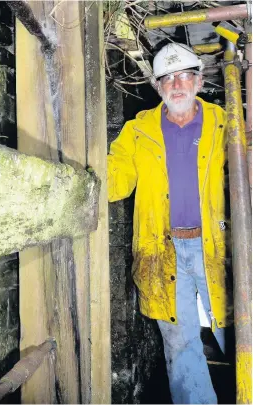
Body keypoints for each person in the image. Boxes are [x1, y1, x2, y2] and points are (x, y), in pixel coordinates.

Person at [107, 42, 229, 404]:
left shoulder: (225, 123)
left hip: (219, 249)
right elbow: (117, 179)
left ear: (199, 80)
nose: (177, 85)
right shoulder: (137, 131)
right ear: (157, 86)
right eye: (167, 78)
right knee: (181, 348)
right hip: (162, 252)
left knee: (240, 332)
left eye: (184, 76)